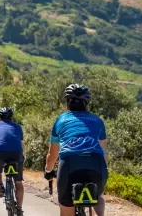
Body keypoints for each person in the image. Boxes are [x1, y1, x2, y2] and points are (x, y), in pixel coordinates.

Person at [44, 84, 108, 216]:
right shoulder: (98, 121)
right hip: (96, 163)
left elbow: (52, 154)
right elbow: (104, 152)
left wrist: (48, 171)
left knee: (66, 208)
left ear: (67, 103)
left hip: (70, 163)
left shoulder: (60, 120)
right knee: (99, 196)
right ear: (86, 103)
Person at [0, 107, 25, 216]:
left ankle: (1, 186)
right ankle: (19, 208)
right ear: (11, 117)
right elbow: (22, 143)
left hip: (0, 153)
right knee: (18, 182)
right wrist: (22, 156)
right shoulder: (18, 127)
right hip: (16, 154)